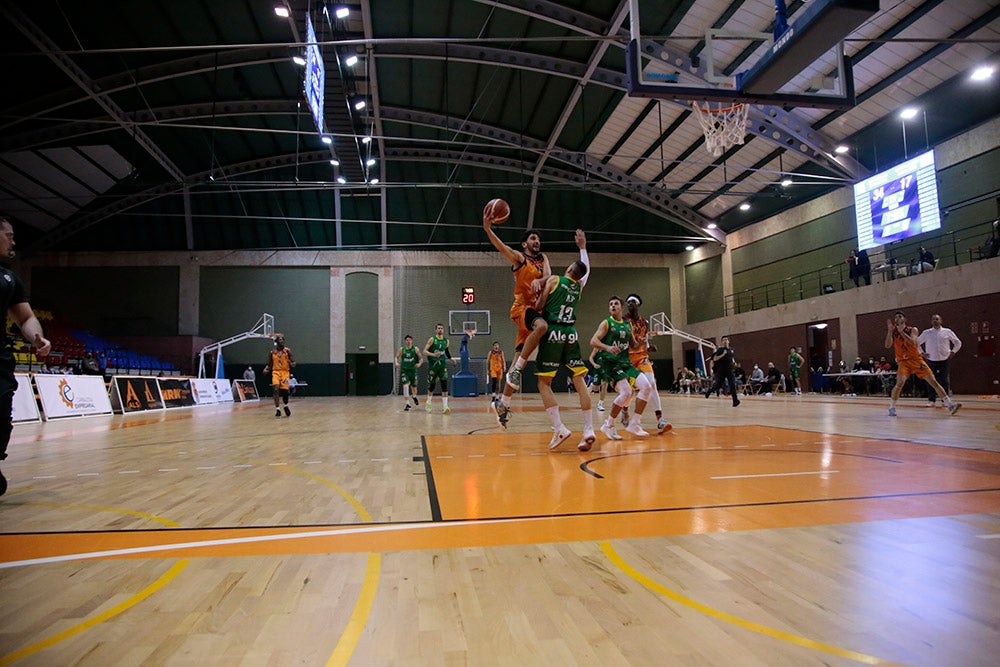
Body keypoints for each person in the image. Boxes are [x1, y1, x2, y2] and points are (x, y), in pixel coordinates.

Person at [483, 208, 551, 428]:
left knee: (519, 359)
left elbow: (548, 276)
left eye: (538, 238)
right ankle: (518, 370)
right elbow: (501, 247)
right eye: (532, 238)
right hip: (522, 309)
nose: (536, 240)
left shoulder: (543, 259)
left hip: (536, 309)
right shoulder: (520, 259)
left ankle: (503, 404)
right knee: (541, 327)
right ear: (524, 244)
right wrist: (487, 228)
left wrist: (540, 282)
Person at [533, 230, 597, 451]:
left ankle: (559, 427)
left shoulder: (553, 280)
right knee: (580, 382)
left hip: (552, 333)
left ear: (569, 269)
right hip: (571, 334)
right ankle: (589, 429)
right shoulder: (578, 286)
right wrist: (583, 247)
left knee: (543, 383)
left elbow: (539, 307)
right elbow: (586, 272)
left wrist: (538, 292)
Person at [0, 218, 51, 496]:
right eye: (9, 235)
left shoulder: (8, 279)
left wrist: (36, 337)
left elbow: (26, 317)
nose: (13, 241)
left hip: (0, 361)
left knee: (2, 420)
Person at [590, 296, 657, 439]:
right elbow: (593, 341)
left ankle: (635, 423)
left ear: (621, 307)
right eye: (610, 304)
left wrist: (641, 342)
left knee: (647, 387)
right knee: (626, 393)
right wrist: (607, 347)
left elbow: (633, 345)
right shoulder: (606, 323)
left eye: (616, 304)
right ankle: (608, 425)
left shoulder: (628, 325)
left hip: (625, 363)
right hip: (611, 364)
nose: (613, 306)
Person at [885, 311, 960, 417]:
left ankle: (950, 404)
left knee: (933, 381)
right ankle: (891, 408)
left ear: (905, 319)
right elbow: (887, 345)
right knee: (900, 383)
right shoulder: (893, 332)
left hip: (916, 360)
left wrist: (902, 332)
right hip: (904, 362)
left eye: (900, 316)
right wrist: (889, 331)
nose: (898, 318)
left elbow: (913, 342)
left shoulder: (913, 329)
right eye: (896, 317)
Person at [624, 294, 671, 433]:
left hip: (641, 357)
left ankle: (660, 419)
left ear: (638, 305)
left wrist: (649, 347)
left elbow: (644, 341)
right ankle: (625, 410)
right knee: (628, 391)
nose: (630, 304)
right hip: (627, 358)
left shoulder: (644, 322)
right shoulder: (624, 320)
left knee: (651, 384)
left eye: (632, 302)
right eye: (628, 302)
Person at [917, 314, 962, 407]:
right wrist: (921, 353)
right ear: (931, 321)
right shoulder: (927, 333)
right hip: (931, 360)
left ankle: (944, 400)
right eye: (933, 319)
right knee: (931, 380)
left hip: (944, 359)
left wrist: (953, 351)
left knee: (944, 380)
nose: (935, 321)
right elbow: (916, 343)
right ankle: (931, 400)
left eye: (937, 319)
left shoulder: (947, 332)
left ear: (941, 321)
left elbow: (958, 342)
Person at [424, 323, 457, 413]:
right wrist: (433, 354)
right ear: (436, 330)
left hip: (442, 365)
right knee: (432, 385)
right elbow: (424, 351)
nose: (440, 330)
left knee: (444, 384)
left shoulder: (446, 341)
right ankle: (429, 402)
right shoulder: (432, 339)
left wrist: (451, 359)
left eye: (441, 328)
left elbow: (446, 351)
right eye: (438, 328)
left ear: (443, 330)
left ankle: (445, 406)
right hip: (433, 365)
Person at [263, 334, 295, 418]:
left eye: (282, 340)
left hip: (285, 372)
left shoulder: (288, 351)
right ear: (276, 342)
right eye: (279, 340)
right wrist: (266, 369)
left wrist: (291, 363)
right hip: (276, 372)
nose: (281, 341)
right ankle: (277, 409)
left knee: (285, 392)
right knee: (276, 388)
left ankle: (285, 405)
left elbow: (294, 363)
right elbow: (269, 365)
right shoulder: (272, 353)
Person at [704, 337, 740, 407]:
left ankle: (735, 401)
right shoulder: (720, 350)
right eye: (723, 340)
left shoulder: (731, 350)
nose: (725, 341)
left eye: (726, 340)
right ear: (722, 342)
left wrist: (734, 362)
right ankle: (709, 391)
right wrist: (722, 355)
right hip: (722, 371)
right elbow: (714, 359)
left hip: (730, 370)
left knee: (732, 385)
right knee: (717, 385)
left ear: (729, 341)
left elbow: (732, 358)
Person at [394, 334, 423, 411]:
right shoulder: (402, 349)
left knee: (414, 387)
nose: (408, 341)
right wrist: (396, 362)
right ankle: (407, 404)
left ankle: (414, 396)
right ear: (405, 341)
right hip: (405, 371)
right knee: (405, 386)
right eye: (407, 340)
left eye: (410, 340)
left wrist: (419, 363)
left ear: (412, 341)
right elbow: (396, 357)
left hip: (413, 371)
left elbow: (421, 358)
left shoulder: (415, 349)